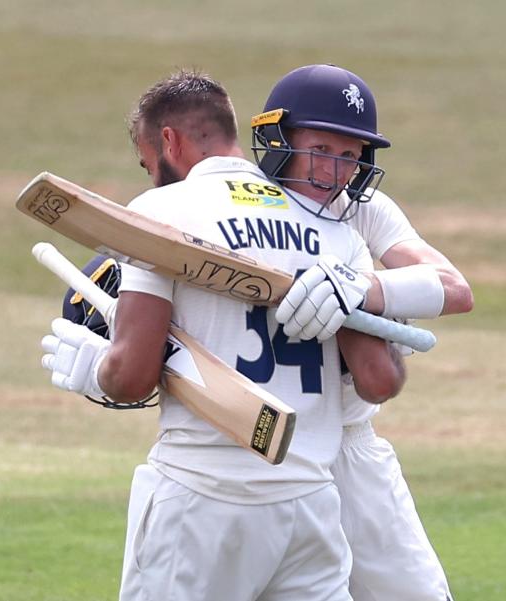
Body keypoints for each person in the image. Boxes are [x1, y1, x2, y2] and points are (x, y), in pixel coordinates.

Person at [40, 68, 405, 600]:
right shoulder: (332, 230)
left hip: (201, 499)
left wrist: (96, 370)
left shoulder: (159, 214)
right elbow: (378, 380)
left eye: (148, 164)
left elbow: (135, 376)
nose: (150, 178)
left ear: (168, 140)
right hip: (310, 508)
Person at [252, 64, 474, 601]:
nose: (335, 171)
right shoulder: (243, 207)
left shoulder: (361, 209)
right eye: (322, 149)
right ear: (279, 139)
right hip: (262, 445)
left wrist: (361, 288)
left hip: (352, 446)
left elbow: (454, 288)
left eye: (350, 156)